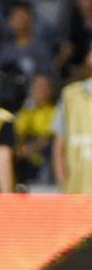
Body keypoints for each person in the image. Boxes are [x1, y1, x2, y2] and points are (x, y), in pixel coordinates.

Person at [53, 48, 92, 193]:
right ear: (89, 57)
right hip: (76, 194)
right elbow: (59, 144)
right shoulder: (70, 95)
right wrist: (62, 183)